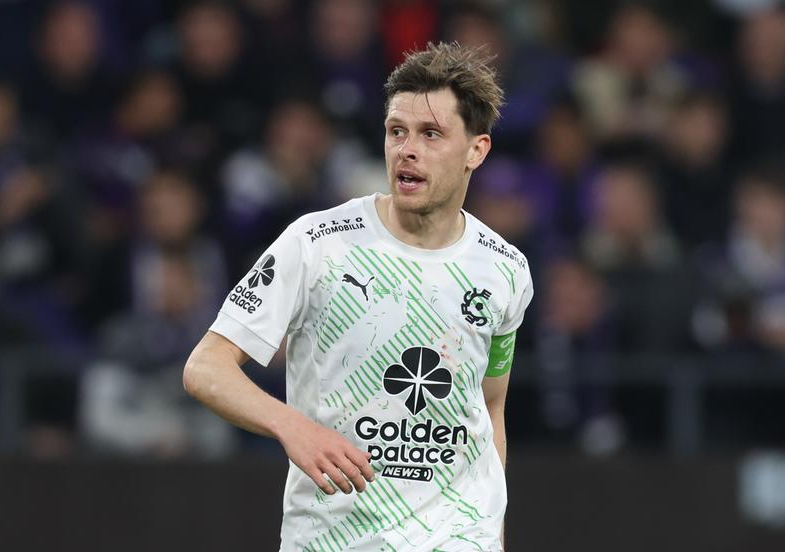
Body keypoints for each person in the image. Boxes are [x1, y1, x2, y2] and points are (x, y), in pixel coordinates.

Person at [183, 42, 533, 551]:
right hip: (335, 540)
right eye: (397, 131)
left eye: (431, 134)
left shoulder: (505, 269)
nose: (406, 149)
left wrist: (494, 537)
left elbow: (489, 406)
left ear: (476, 151)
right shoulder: (317, 243)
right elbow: (205, 367)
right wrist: (291, 427)